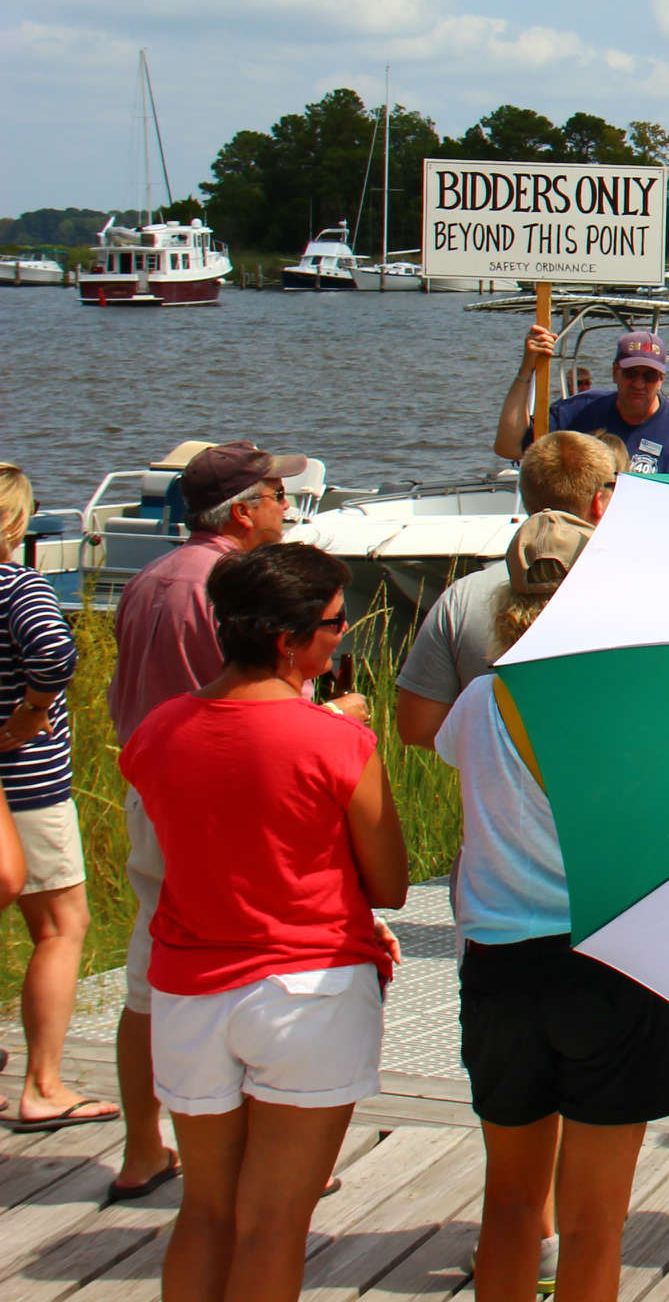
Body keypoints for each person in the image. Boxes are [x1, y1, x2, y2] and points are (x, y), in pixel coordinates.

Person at [123, 542, 408, 1302]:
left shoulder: (157, 732)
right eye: (334, 623)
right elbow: (390, 883)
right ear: (290, 641)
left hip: (188, 989)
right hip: (306, 990)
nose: (342, 634)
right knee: (276, 1220)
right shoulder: (339, 741)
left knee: (207, 1210)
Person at [427, 513, 669, 1302]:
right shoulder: (623, 705)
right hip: (608, 965)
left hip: (501, 970)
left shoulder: (476, 703)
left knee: (508, 1205)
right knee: (593, 1221)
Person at [106, 440, 312, 1204]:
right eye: (277, 496)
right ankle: (278, 1154)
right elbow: (244, 697)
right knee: (257, 965)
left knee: (146, 969)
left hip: (149, 782)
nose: (287, 508)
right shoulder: (228, 587)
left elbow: (123, 694)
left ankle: (140, 1147)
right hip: (218, 797)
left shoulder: (148, 577)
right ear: (243, 512)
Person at [397, 430, 625, 753]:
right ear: (599, 503)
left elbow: (415, 727)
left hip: (492, 800)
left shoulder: (460, 599)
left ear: (525, 495)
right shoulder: (633, 596)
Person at [0, 464, 96, 1133]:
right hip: (25, 782)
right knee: (61, 927)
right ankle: (44, 1083)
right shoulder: (17, 587)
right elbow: (56, 652)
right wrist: (34, 709)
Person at [493, 328, 669, 475]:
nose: (638, 384)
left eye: (648, 376)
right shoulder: (578, 411)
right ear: (615, 373)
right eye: (630, 373)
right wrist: (527, 367)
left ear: (661, 380)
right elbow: (509, 448)